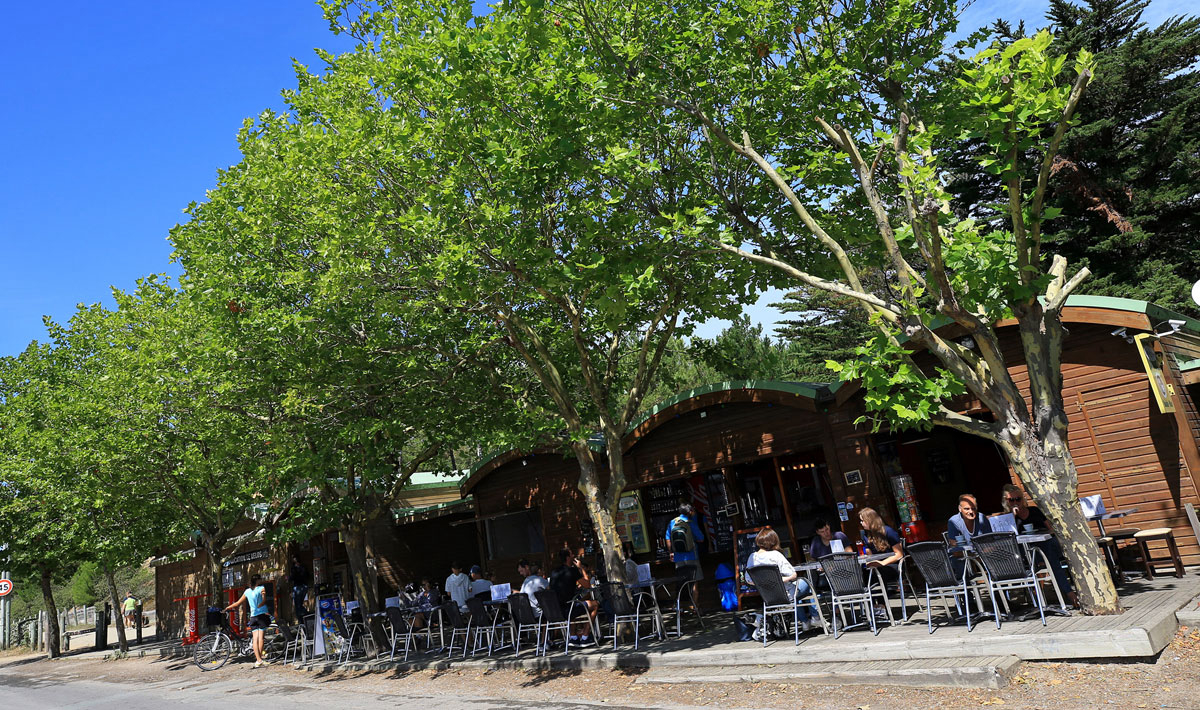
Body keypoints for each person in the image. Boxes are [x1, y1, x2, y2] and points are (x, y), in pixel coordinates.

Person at [1001, 484, 1078, 607]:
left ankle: (1055, 594)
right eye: (1011, 500)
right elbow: (1005, 537)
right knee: (1050, 559)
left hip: (1045, 546)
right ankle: (1069, 594)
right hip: (1024, 554)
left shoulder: (1034, 511)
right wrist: (1013, 516)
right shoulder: (1005, 520)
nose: (1016, 502)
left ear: (1023, 499)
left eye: (1018, 499)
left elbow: (1051, 529)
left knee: (1049, 550)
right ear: (1006, 501)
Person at [746, 528, 816, 633]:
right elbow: (793, 574)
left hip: (768, 597)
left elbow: (749, 580)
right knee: (806, 583)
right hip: (786, 594)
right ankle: (815, 618)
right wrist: (779, 580)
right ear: (773, 541)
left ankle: (805, 622)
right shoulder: (775, 555)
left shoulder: (752, 557)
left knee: (797, 591)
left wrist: (764, 583)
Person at [859, 507, 905, 619]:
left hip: (892, 565)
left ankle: (881, 606)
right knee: (862, 574)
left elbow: (899, 554)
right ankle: (871, 606)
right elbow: (869, 554)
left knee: (877, 573)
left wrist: (882, 563)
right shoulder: (866, 534)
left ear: (870, 520)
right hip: (877, 565)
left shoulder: (888, 531)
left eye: (863, 520)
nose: (861, 523)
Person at [223, 574, 272, 668]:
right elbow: (264, 600)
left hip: (253, 617)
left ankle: (258, 660)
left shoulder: (247, 591)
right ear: (258, 580)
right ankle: (260, 659)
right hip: (261, 615)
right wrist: (261, 603)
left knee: (255, 639)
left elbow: (237, 603)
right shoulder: (262, 588)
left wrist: (227, 608)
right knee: (261, 638)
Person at [666, 503, 705, 581]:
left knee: (683, 583)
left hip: (678, 557)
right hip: (692, 556)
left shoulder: (672, 523)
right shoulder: (690, 523)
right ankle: (694, 594)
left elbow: (668, 539)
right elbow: (701, 538)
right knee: (694, 581)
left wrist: (670, 552)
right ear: (690, 512)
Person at [289, 555, 311, 621]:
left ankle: (302, 620)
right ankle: (305, 617)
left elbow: (292, 577)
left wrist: (288, 578)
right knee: (300, 604)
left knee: (298, 605)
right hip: (304, 586)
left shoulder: (294, 568)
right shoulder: (304, 567)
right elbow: (308, 575)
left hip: (298, 586)